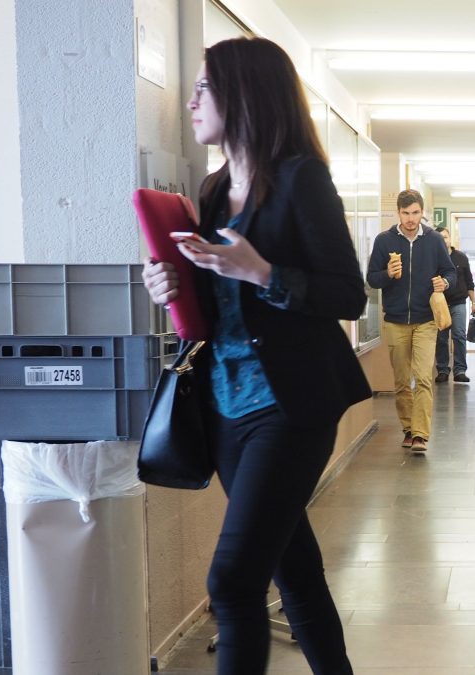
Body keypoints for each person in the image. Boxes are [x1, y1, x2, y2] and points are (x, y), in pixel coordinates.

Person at [141, 37, 369, 674]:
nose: (189, 103)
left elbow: (347, 293)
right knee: (292, 569)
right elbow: (215, 305)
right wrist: (170, 287)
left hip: (290, 406)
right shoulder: (212, 191)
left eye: (202, 89)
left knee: (233, 583)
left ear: (244, 96)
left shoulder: (301, 178)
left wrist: (263, 270)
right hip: (225, 407)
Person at [367, 189, 456, 453]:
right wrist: (387, 274)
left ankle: (420, 434)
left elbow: (450, 271)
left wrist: (445, 282)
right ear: (398, 213)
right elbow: (372, 278)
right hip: (395, 320)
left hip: (426, 319)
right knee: (402, 381)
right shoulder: (384, 241)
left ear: (422, 212)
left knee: (423, 378)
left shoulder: (433, 240)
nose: (410, 219)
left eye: (415, 213)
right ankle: (407, 428)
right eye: (405, 213)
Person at [435, 228, 475, 383]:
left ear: (450, 238)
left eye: (445, 237)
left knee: (459, 335)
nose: (443, 239)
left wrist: (474, 303)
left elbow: (469, 282)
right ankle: (442, 370)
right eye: (439, 237)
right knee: (441, 338)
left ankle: (460, 370)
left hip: (458, 302)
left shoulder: (461, 257)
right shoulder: (434, 257)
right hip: (440, 304)